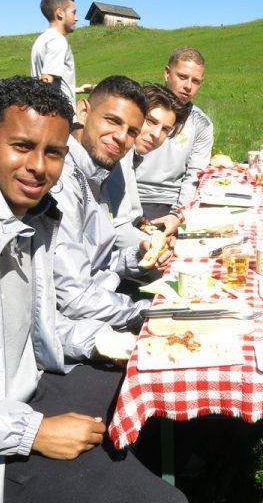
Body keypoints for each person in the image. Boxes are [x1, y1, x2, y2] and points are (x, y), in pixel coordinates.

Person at [0, 76, 186, 503]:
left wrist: (104, 340)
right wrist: (33, 432)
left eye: (53, 152)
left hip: (25, 393)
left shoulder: (35, 211)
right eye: (22, 146)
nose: (39, 166)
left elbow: (33, 327)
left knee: (146, 379)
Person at [52, 76, 161, 329]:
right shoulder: (61, 179)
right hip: (74, 325)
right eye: (112, 121)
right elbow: (74, 297)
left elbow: (94, 262)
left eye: (132, 131)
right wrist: (148, 314)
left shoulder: (98, 169)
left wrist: (137, 257)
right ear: (83, 111)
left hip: (101, 301)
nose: (121, 137)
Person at [136, 47, 214, 235]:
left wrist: (178, 214)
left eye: (195, 81)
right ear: (167, 73)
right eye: (182, 77)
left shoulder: (201, 124)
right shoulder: (139, 106)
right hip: (129, 195)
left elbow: (195, 175)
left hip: (169, 201)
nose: (188, 86)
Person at [104, 83, 190, 251]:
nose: (156, 135)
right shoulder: (118, 155)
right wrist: (159, 249)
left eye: (165, 129)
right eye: (151, 122)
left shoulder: (131, 154)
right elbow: (119, 231)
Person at [31, 0, 78, 111]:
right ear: (60, 13)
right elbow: (46, 81)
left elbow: (48, 83)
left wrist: (79, 89)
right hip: (59, 117)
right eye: (73, 12)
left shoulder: (41, 40)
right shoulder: (58, 41)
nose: (76, 18)